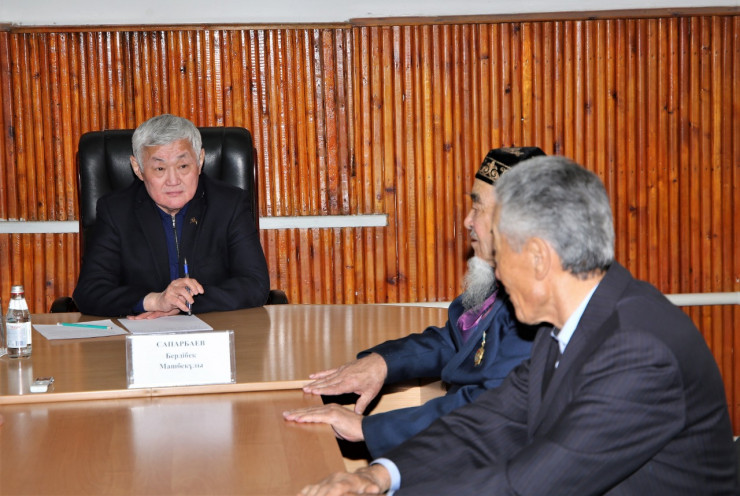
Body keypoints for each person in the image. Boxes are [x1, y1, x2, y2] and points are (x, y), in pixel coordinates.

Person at [297, 156, 738, 495]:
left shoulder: (639, 351)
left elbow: (528, 485)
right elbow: (489, 422)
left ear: (539, 258)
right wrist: (377, 476)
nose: (497, 273)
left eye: (502, 253)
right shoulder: (563, 326)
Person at [284, 147, 545, 458]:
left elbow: (486, 410)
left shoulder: (536, 308)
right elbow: (456, 340)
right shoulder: (501, 283)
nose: (467, 221)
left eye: (478, 208)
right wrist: (383, 363)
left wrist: (368, 429)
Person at [73, 114, 270, 318]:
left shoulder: (229, 205)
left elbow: (255, 284)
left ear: (200, 160)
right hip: (141, 331)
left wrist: (182, 303)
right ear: (138, 168)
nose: (173, 180)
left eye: (183, 166)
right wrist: (154, 301)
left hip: (215, 329)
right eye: (160, 168)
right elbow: (89, 291)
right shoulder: (116, 211)